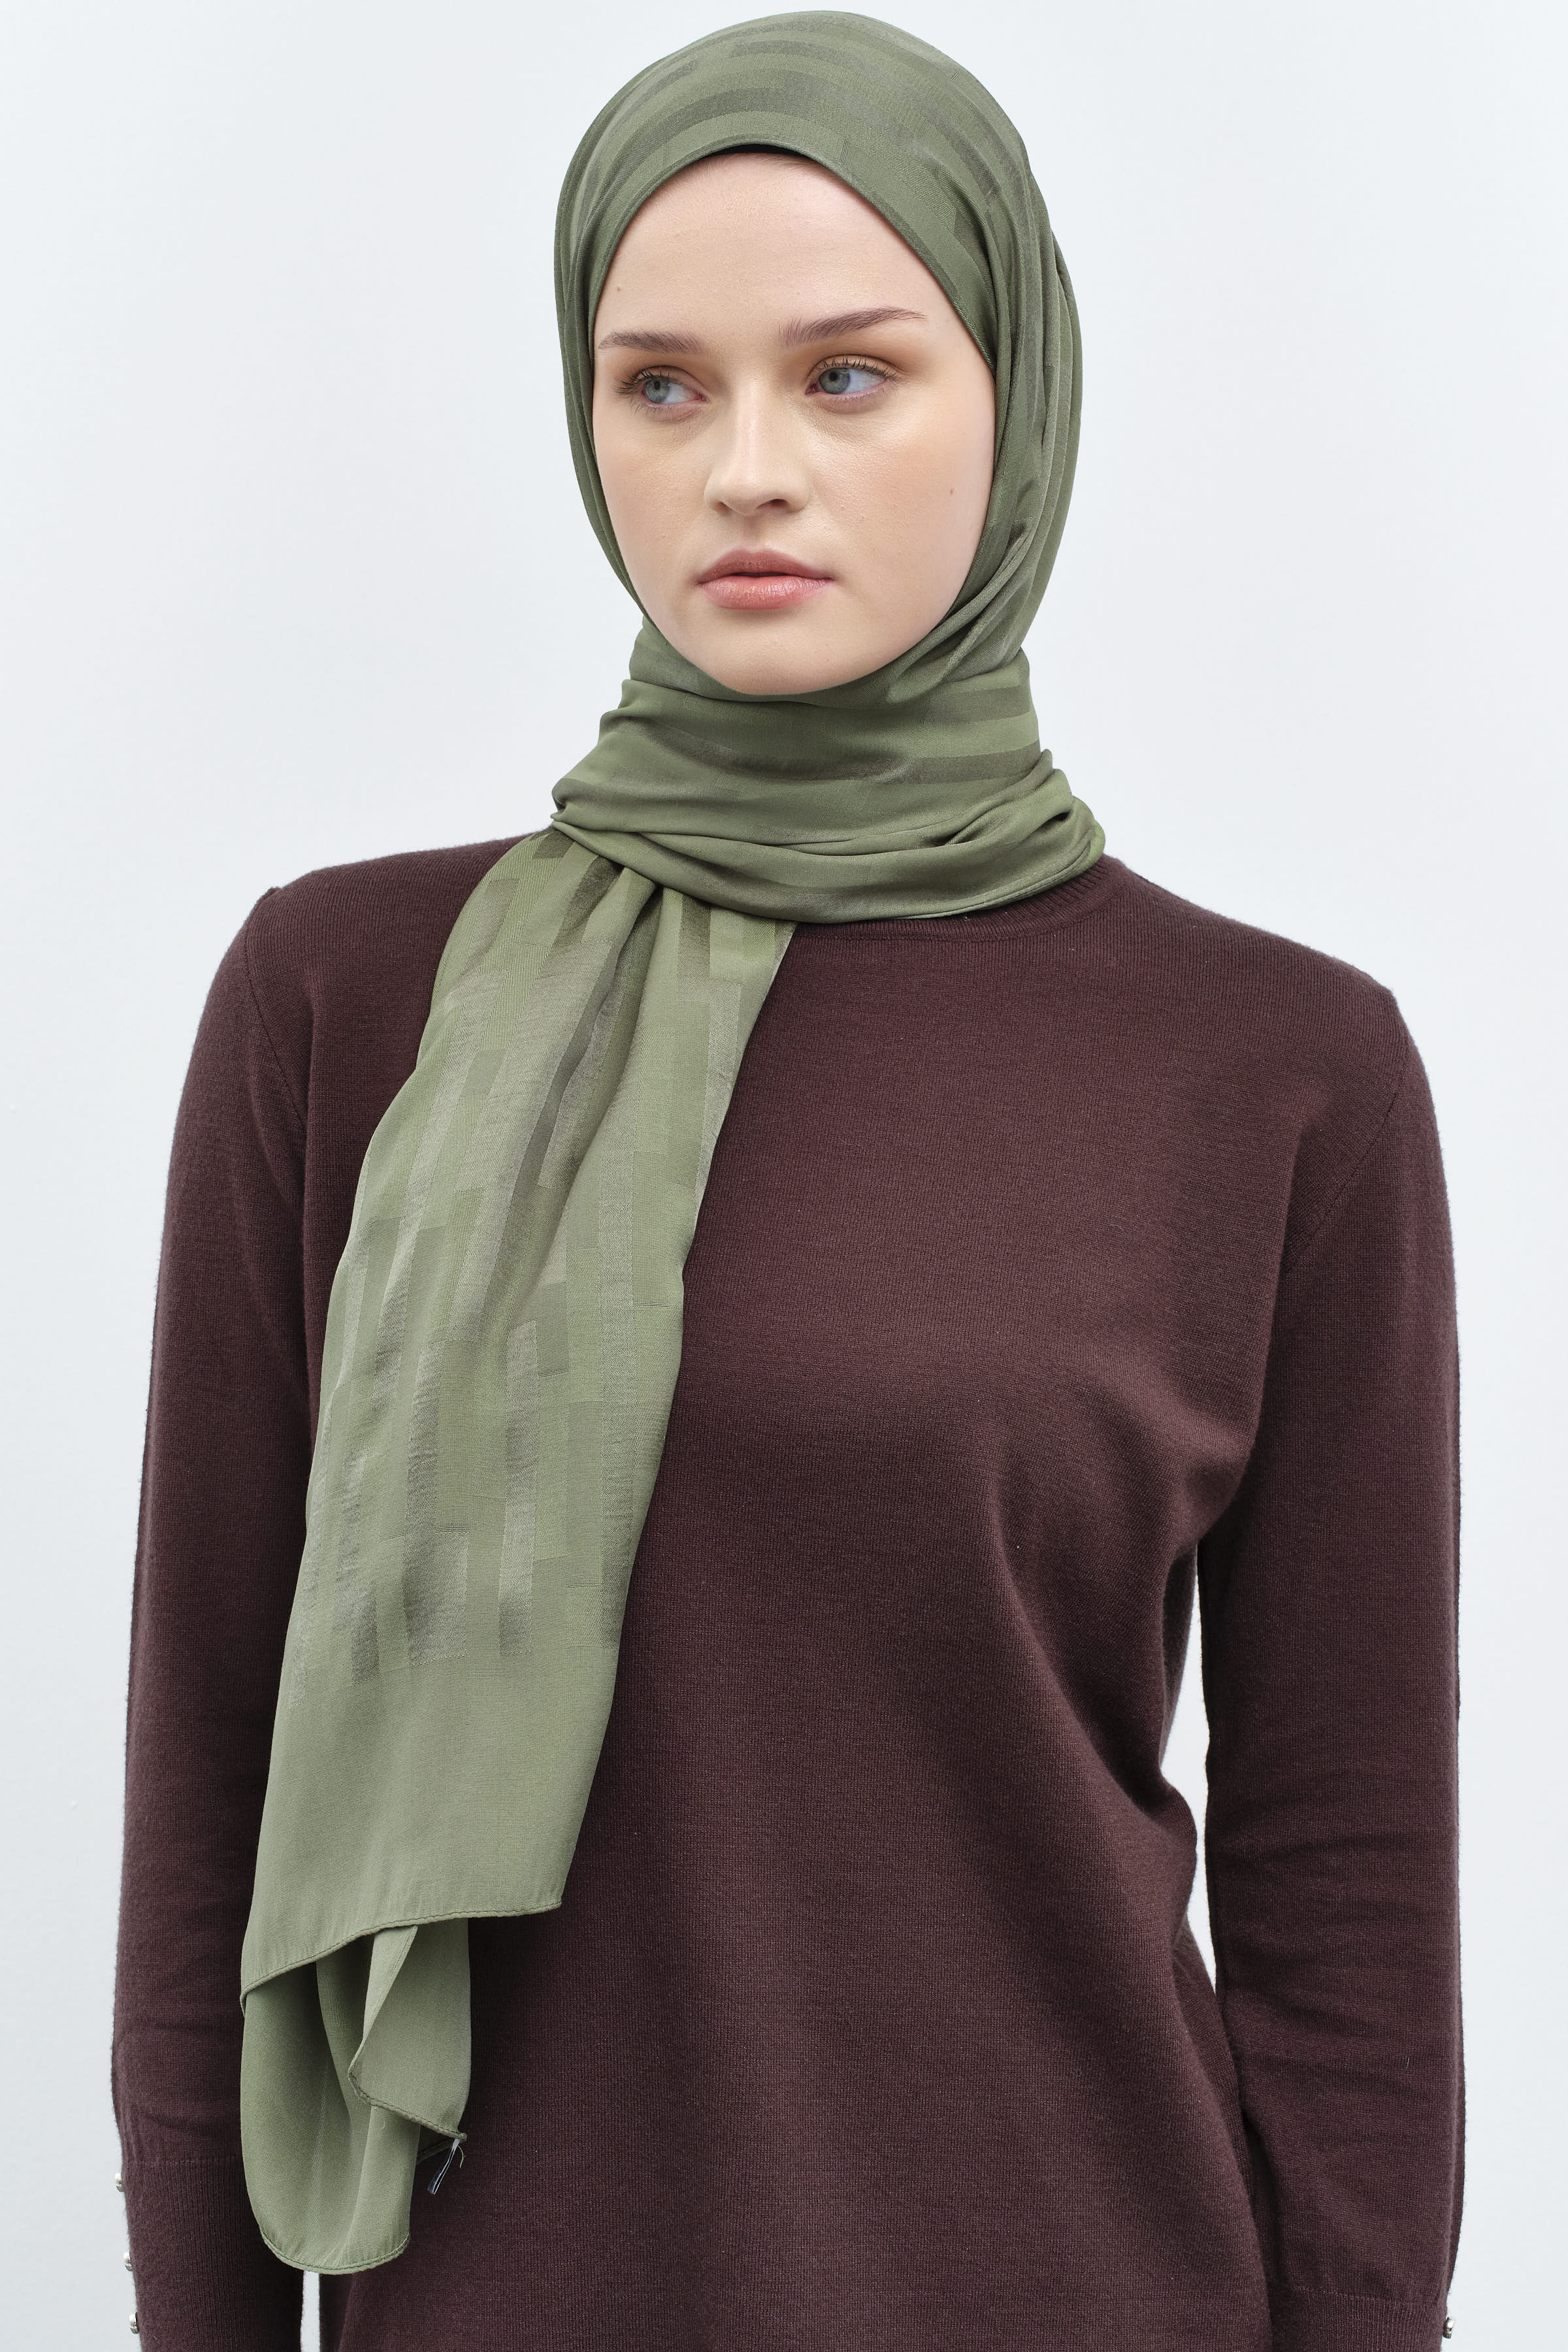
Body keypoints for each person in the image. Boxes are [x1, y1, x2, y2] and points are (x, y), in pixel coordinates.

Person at [112, 14, 1462, 2351]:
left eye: (848, 377)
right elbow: (211, 1794)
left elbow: (1349, 1883)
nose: (746, 469)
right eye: (662, 385)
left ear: (1015, 397)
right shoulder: (344, 1004)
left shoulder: (1280, 1073)